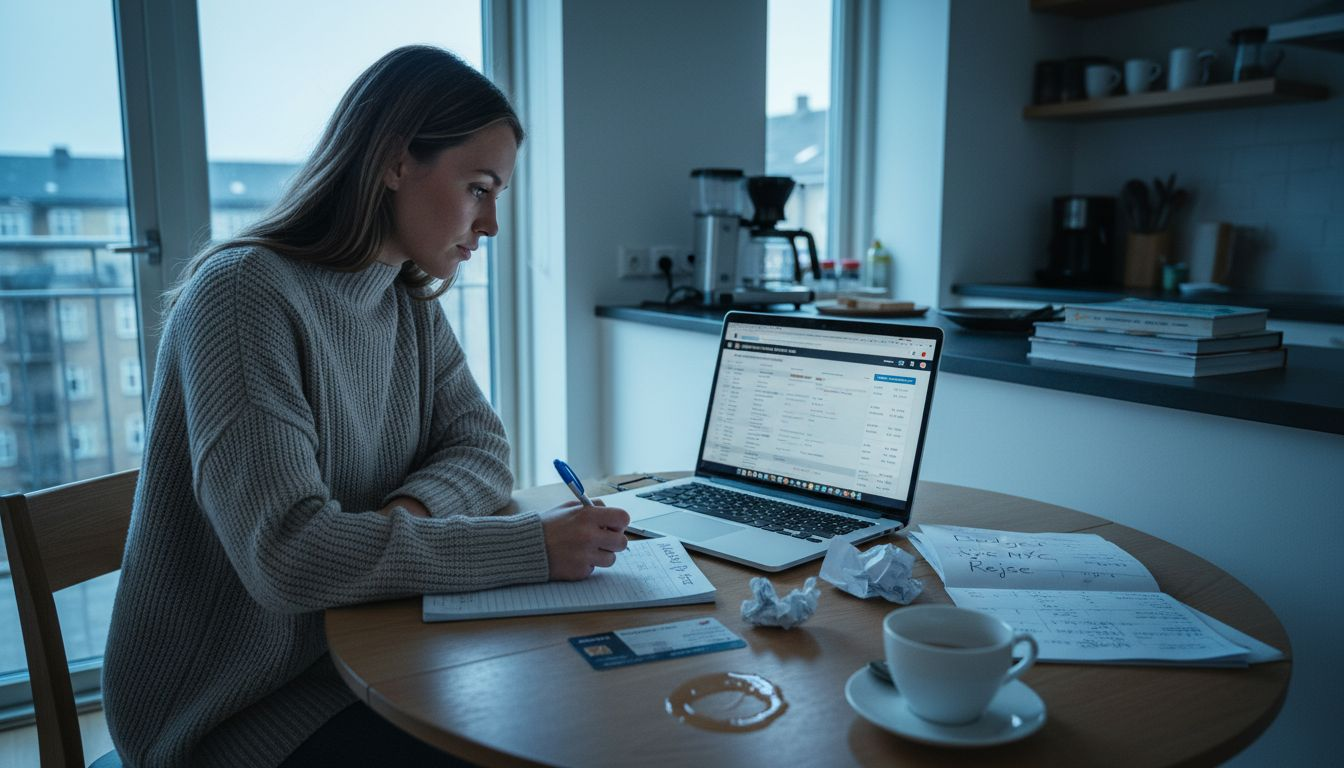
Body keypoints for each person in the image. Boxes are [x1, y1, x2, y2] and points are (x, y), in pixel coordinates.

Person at [102, 45, 629, 767]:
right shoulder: (242, 296)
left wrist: (398, 519)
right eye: (479, 188)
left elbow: (482, 451)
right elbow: (288, 557)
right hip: (236, 709)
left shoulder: (404, 300)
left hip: (371, 647)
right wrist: (531, 546)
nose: (492, 225)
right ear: (393, 161)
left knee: (572, 710)